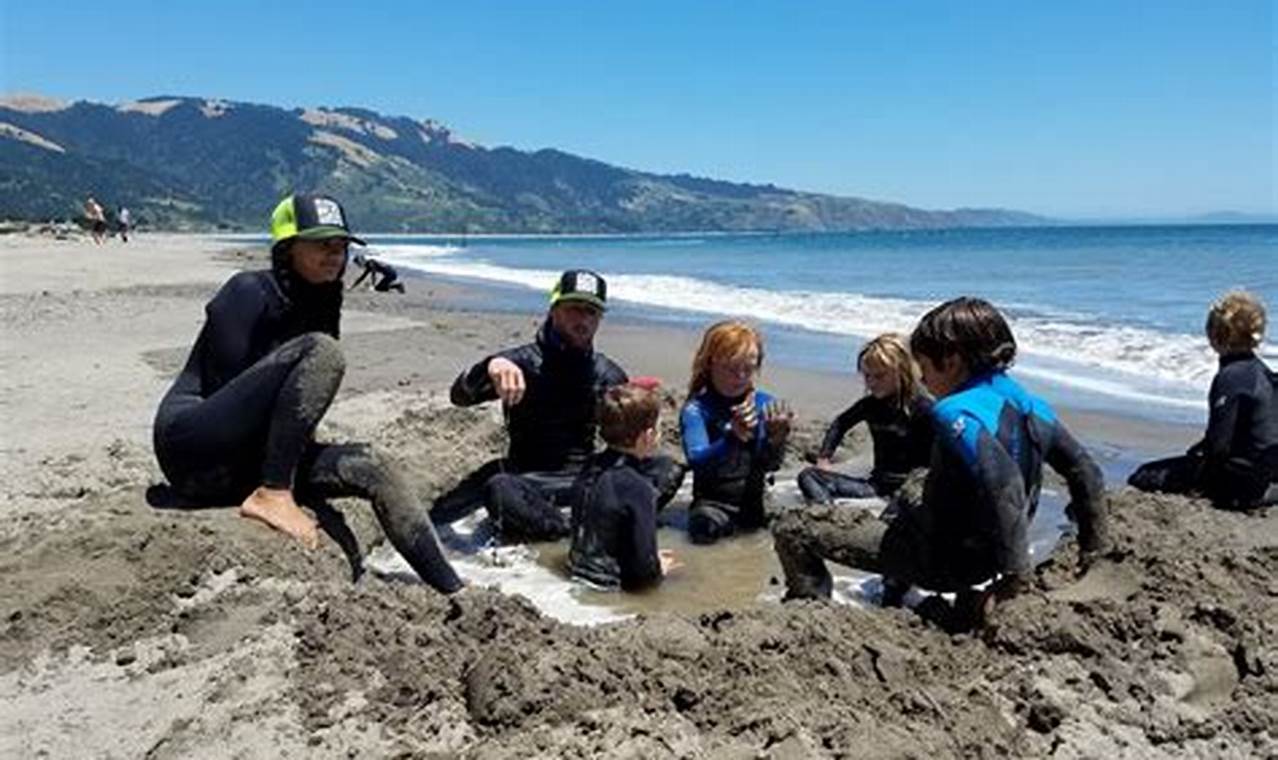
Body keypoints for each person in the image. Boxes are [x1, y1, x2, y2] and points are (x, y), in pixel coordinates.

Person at [152, 193, 462, 594]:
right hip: (193, 448)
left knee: (377, 466)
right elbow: (227, 387)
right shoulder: (248, 291)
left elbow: (295, 399)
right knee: (323, 351)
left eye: (341, 246)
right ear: (287, 248)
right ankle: (274, 494)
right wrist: (282, 477)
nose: (335, 255)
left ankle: (453, 589)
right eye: (321, 244)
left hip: (244, 464)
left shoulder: (323, 299)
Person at [773, 297, 1108, 626]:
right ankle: (897, 590)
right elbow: (1086, 474)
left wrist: (1015, 580)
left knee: (794, 529)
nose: (922, 378)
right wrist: (1091, 556)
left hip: (944, 561)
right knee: (914, 487)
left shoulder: (953, 410)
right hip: (990, 553)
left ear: (950, 361)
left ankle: (811, 614)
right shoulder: (1032, 404)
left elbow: (1004, 484)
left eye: (923, 365)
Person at [433, 269, 684, 540]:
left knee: (667, 468)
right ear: (554, 309)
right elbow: (460, 397)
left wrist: (644, 415)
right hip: (529, 477)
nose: (583, 319)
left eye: (592, 312)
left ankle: (597, 519)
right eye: (574, 308)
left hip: (585, 477)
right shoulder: (517, 363)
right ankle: (570, 532)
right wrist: (489, 366)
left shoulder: (605, 373)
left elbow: (623, 442)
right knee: (498, 488)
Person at [1129, 290, 1278, 509]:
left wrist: (1196, 471)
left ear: (1216, 335)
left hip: (1240, 486)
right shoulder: (1264, 373)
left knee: (1142, 475)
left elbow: (1218, 446)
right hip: (1267, 473)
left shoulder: (1229, 377)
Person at [680, 320, 793, 544]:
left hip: (756, 504)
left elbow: (771, 465)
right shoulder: (696, 410)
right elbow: (697, 461)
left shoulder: (764, 404)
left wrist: (776, 439)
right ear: (710, 363)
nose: (740, 377)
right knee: (702, 530)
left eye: (748, 369)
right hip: (713, 505)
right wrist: (732, 437)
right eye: (731, 368)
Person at [796, 333, 934, 504]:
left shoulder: (923, 407)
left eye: (880, 376)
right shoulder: (870, 405)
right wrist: (824, 458)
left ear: (902, 371)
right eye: (867, 376)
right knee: (808, 476)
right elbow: (841, 423)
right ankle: (826, 509)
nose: (872, 383)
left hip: (913, 487)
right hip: (876, 486)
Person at [569, 383, 680, 590]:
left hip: (577, 571)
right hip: (610, 585)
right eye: (657, 429)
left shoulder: (590, 466)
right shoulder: (638, 487)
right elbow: (643, 573)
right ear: (647, 436)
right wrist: (658, 567)